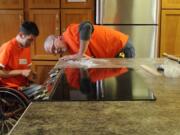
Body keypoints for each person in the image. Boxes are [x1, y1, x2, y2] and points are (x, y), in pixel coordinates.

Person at [44, 21, 135, 61]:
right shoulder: (70, 49)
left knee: (124, 86)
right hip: (114, 54)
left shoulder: (70, 32)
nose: (56, 51)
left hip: (122, 48)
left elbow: (86, 26)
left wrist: (79, 54)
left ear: (58, 38)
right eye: (54, 52)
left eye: (54, 48)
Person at [0, 21, 39, 90]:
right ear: (21, 35)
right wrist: (21, 72)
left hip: (23, 86)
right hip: (11, 88)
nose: (31, 43)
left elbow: (27, 68)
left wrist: (31, 74)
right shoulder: (8, 47)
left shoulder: (26, 47)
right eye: (30, 40)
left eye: (33, 41)